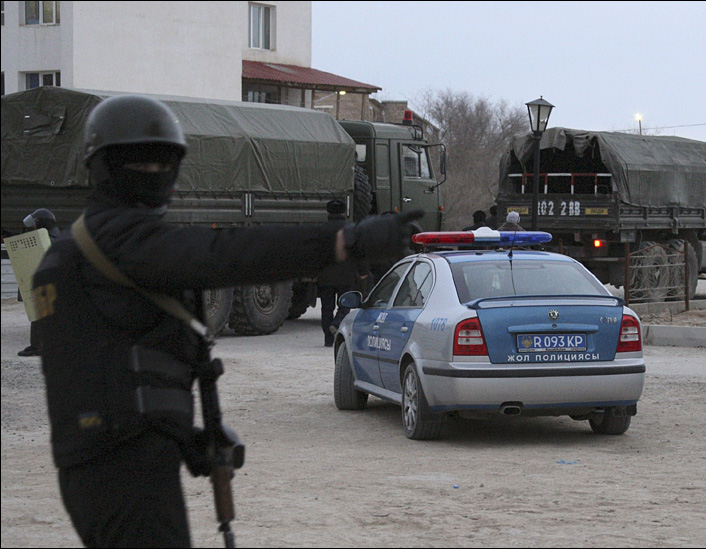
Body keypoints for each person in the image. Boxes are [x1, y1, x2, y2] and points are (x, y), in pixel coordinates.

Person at [31, 94, 421, 547]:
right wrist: (346, 241)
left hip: (104, 456)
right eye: (143, 164)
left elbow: (104, 363)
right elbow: (230, 254)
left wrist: (181, 434)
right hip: (123, 463)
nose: (156, 176)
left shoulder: (63, 259)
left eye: (163, 164)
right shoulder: (122, 241)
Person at [318, 199, 369, 346]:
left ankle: (328, 339)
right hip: (345, 275)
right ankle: (337, 321)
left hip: (325, 275)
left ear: (328, 212)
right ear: (343, 212)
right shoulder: (351, 229)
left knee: (326, 307)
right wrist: (362, 271)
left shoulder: (321, 230)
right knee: (345, 305)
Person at [18, 209, 63, 357]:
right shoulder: (59, 237)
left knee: (39, 313)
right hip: (57, 281)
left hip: (46, 282)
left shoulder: (45, 239)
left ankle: (37, 346)